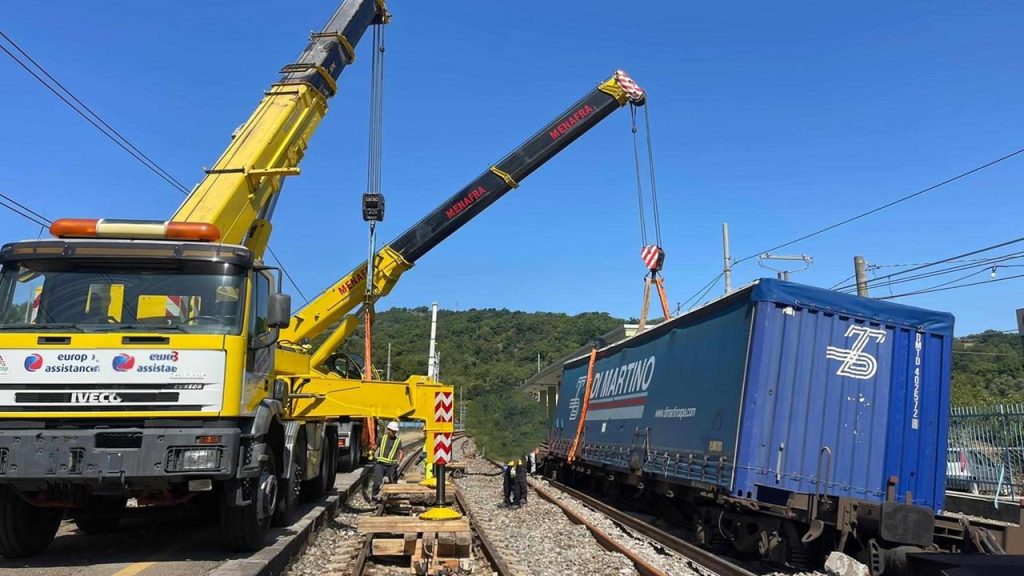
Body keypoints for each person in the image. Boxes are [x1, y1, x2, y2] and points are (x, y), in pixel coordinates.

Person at [371, 421, 403, 500]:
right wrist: (371, 453)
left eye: (395, 431)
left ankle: (394, 498)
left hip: (391, 466)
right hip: (380, 464)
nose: (394, 433)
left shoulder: (398, 441)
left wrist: (398, 463)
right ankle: (374, 498)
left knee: (393, 482)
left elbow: (401, 452)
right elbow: (375, 448)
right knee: (377, 482)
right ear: (388, 430)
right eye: (392, 431)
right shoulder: (381, 438)